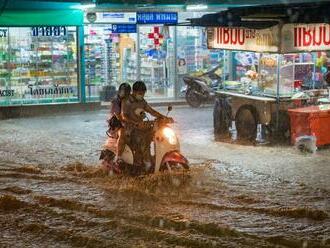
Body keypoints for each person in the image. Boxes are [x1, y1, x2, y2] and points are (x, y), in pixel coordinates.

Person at [120, 81, 172, 165]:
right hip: (130, 129)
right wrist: (135, 123)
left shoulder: (142, 101)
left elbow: (151, 111)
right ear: (134, 91)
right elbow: (123, 116)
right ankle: (146, 162)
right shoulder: (127, 101)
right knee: (143, 139)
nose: (142, 95)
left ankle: (155, 157)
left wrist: (164, 117)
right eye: (140, 93)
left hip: (141, 127)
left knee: (157, 135)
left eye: (143, 93)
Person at [107, 83, 131, 162]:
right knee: (123, 134)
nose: (126, 94)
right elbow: (118, 116)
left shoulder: (129, 100)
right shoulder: (115, 101)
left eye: (128, 92)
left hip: (127, 122)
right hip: (117, 125)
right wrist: (126, 123)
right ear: (120, 91)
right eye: (125, 91)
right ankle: (119, 157)